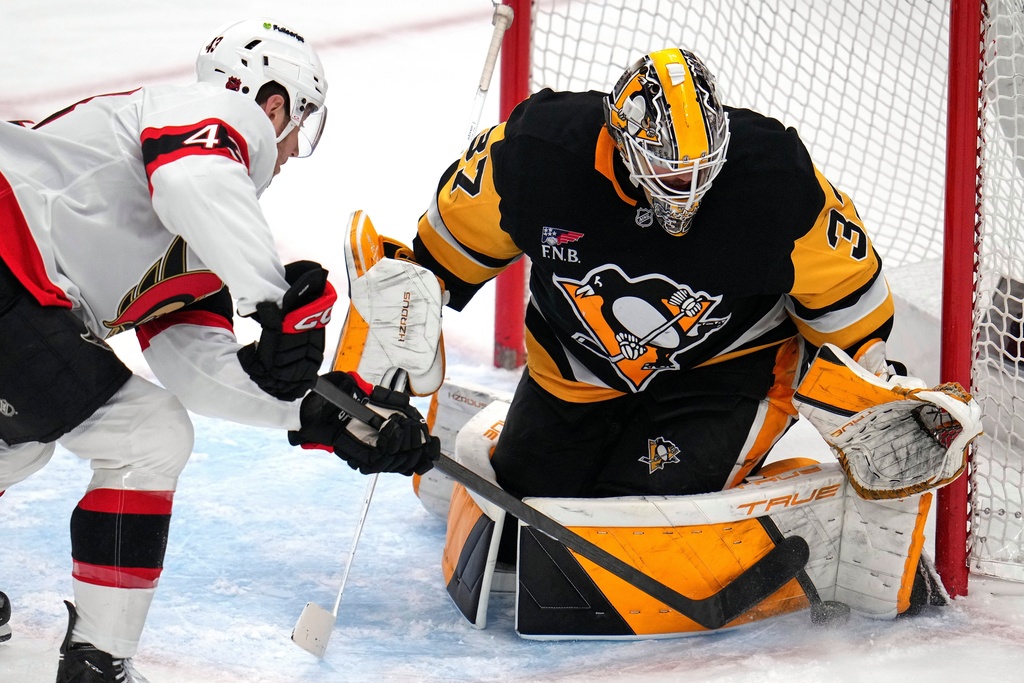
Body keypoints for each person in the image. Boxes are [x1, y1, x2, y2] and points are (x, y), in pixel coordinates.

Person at [0, 18, 435, 683]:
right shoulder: (207, 117)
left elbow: (197, 369)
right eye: (297, 126)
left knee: (22, 440)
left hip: (17, 298)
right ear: (273, 104)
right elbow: (194, 181)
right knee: (146, 434)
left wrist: (319, 414)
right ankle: (96, 665)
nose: (287, 155)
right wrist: (273, 298)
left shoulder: (198, 230)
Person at [414, 46, 894, 502]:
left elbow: (847, 292)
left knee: (645, 506)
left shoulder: (774, 181)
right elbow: (439, 258)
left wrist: (878, 386)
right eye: (667, 169)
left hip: (724, 373)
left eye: (700, 168)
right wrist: (398, 341)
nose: (687, 187)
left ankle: (775, 498)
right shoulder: (535, 153)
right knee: (533, 500)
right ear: (621, 142)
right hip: (574, 369)